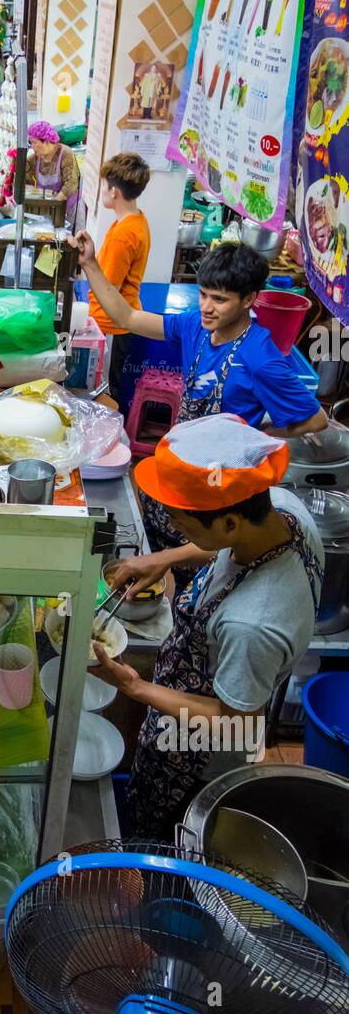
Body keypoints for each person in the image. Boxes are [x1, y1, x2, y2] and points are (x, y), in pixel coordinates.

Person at [91, 416, 324, 839]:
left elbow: (236, 720)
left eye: (183, 524)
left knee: (164, 836)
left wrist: (133, 686)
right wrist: (166, 559)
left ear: (229, 523)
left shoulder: (252, 623)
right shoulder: (285, 513)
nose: (175, 530)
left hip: (197, 755)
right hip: (181, 703)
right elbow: (222, 543)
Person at [75, 235, 328, 560]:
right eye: (203, 294)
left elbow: (316, 419)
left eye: (219, 299)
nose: (207, 307)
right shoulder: (195, 325)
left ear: (249, 299)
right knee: (154, 537)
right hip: (182, 462)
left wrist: (258, 436)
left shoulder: (261, 358)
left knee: (199, 557)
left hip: (218, 481)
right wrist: (90, 264)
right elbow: (128, 319)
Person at [76, 153, 152, 407]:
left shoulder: (124, 233)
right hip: (116, 321)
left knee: (105, 392)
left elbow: (110, 288)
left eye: (104, 185)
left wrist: (86, 263)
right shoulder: (136, 220)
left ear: (114, 191)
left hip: (111, 324)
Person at [24, 120, 79, 210]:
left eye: (34, 142)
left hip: (69, 206)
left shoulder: (65, 153)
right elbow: (26, 182)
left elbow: (71, 183)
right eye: (31, 143)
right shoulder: (33, 159)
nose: (32, 146)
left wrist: (53, 205)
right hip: (49, 207)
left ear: (46, 141)